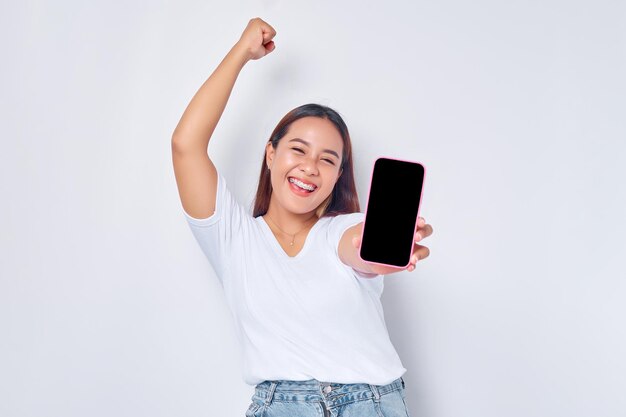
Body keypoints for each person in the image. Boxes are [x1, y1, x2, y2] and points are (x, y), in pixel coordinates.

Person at [171, 17, 433, 417]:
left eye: (328, 160)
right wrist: (243, 52)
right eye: (299, 150)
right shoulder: (233, 237)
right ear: (271, 153)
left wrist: (387, 249)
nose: (311, 167)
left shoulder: (341, 228)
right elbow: (186, 144)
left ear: (337, 177)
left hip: (371, 405)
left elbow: (360, 250)